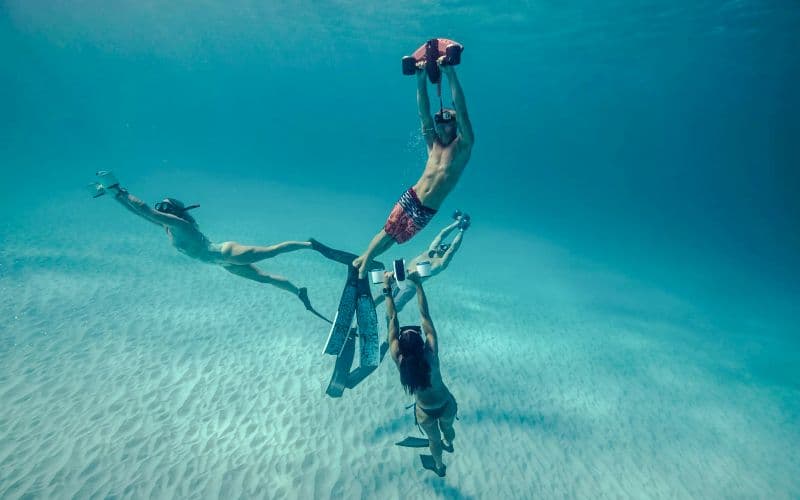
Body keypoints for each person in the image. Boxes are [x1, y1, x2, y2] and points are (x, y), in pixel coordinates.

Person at [95, 172, 324, 316]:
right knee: (264, 278)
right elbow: (139, 213)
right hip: (222, 263)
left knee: (272, 252)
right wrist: (114, 197)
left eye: (165, 207)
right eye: (161, 207)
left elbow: (145, 209)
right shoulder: (168, 227)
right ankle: (299, 292)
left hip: (228, 253)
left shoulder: (180, 224)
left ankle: (311, 245)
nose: (161, 210)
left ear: (174, 211)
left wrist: (119, 190)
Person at [352, 57, 474, 279]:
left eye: (446, 122)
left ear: (455, 124)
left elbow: (462, 111)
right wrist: (420, 79)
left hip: (427, 210)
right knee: (387, 231)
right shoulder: (433, 144)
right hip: (412, 196)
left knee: (394, 239)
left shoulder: (463, 146)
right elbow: (424, 114)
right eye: (439, 122)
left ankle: (361, 260)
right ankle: (362, 269)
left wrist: (450, 74)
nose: (441, 126)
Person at [384, 272, 457, 477]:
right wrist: (418, 284)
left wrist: (387, 290)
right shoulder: (430, 354)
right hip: (446, 404)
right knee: (448, 429)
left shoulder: (400, 360)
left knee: (433, 440)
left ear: (401, 347)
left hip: (425, 412)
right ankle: (449, 443)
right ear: (421, 343)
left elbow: (392, 319)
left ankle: (439, 467)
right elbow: (425, 316)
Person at [373, 211, 470, 312]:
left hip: (410, 284)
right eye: (442, 245)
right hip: (400, 275)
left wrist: (461, 231)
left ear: (446, 252)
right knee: (378, 298)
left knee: (393, 310)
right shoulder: (430, 251)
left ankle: (389, 321)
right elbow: (441, 235)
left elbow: (453, 249)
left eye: (445, 248)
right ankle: (364, 315)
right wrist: (456, 223)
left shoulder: (440, 263)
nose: (442, 247)